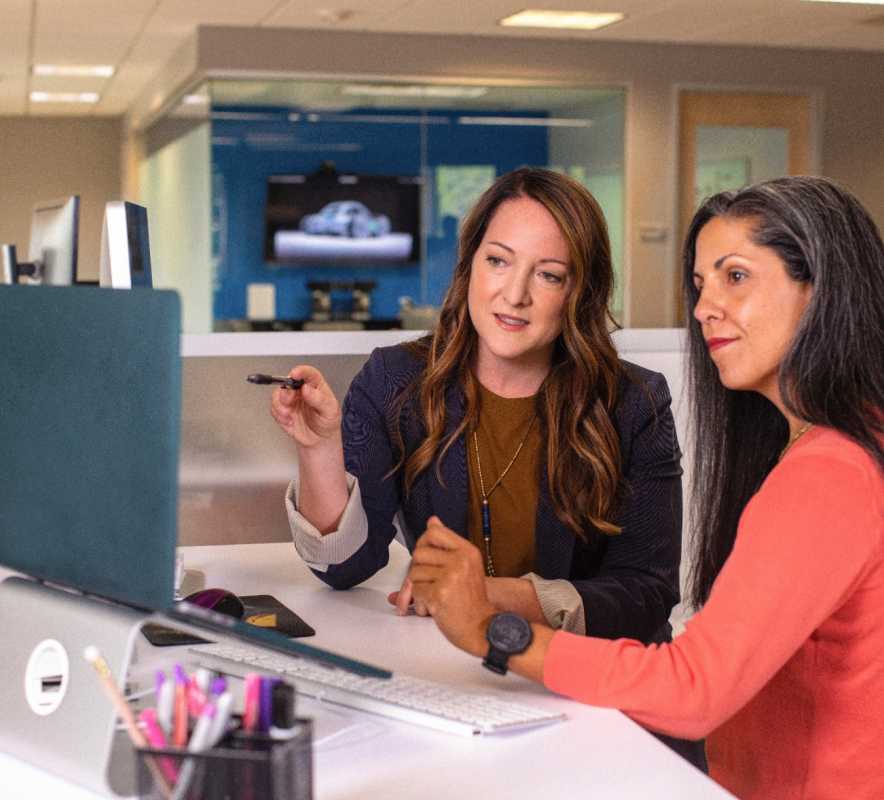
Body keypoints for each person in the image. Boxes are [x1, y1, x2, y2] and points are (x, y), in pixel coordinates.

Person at [407, 175, 884, 799]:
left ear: (822, 289)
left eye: (735, 277)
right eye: (700, 284)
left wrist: (492, 632)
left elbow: (693, 691)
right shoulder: (845, 444)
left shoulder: (830, 473)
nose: (706, 306)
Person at [271, 168, 703, 765]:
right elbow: (346, 566)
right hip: (461, 689)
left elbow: (647, 595)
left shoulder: (634, 402)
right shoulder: (396, 382)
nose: (514, 294)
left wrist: (487, 599)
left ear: (581, 291)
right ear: (470, 264)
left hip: (597, 699)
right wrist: (319, 447)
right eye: (499, 261)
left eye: (548, 275)